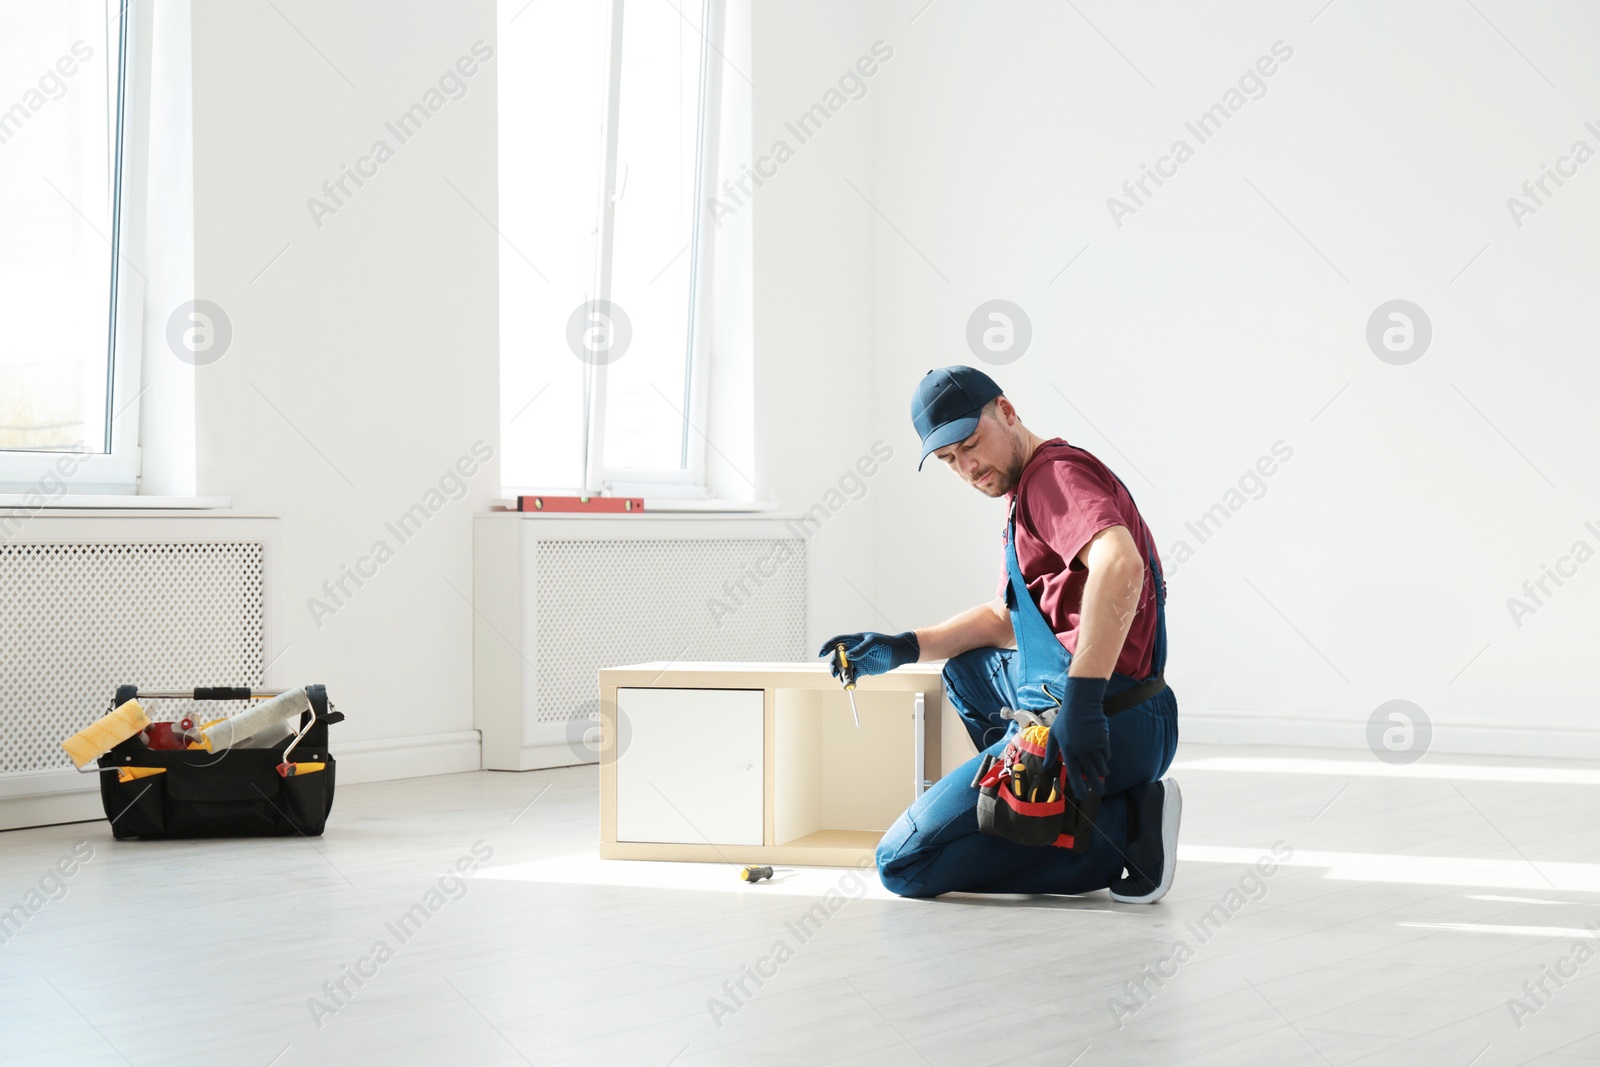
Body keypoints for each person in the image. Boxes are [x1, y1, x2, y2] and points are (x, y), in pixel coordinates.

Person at [819, 366, 1180, 901]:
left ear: (1007, 412)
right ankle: (1039, 799)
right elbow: (1007, 619)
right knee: (966, 672)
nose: (968, 467)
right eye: (949, 460)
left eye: (971, 444)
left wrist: (1080, 701)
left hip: (1108, 717)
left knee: (903, 864)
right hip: (1128, 710)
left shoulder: (1052, 478)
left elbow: (1121, 563)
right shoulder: (1024, 496)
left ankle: (1125, 833)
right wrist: (904, 647)